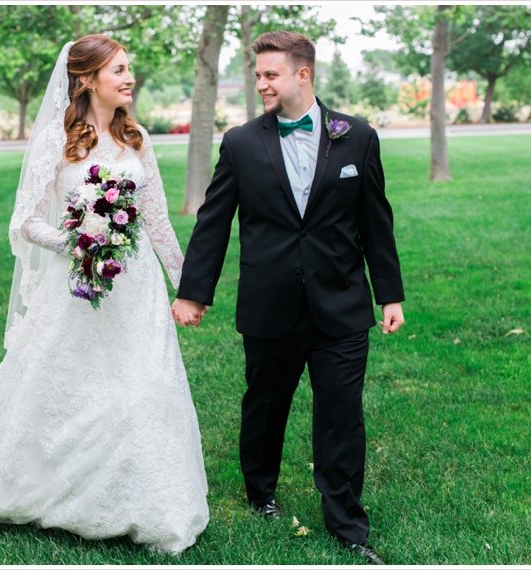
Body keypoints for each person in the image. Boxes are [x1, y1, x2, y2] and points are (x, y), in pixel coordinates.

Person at [0, 35, 209, 554]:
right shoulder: (58, 138)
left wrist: (187, 286)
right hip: (75, 285)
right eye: (117, 70)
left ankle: (155, 507)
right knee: (67, 389)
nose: (128, 78)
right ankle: (51, 488)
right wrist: (78, 241)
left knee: (145, 386)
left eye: (129, 69)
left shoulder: (137, 137)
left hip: (135, 289)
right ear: (86, 79)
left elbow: (158, 221)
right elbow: (26, 221)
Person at [171, 31, 404, 565]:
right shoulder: (241, 143)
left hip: (342, 304)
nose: (261, 85)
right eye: (257, 76)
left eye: (270, 75)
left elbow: (375, 221)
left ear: (303, 75)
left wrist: (389, 294)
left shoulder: (358, 137)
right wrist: (194, 293)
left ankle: (346, 521)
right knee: (266, 404)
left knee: (342, 414)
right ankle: (261, 491)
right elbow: (213, 224)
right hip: (269, 301)